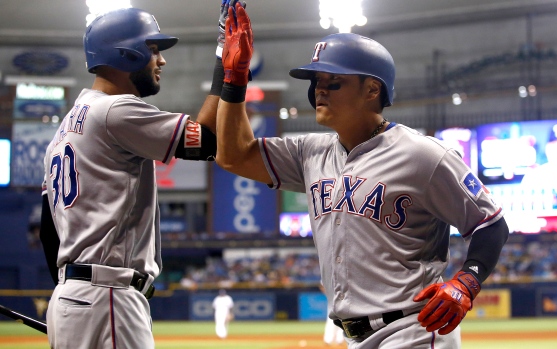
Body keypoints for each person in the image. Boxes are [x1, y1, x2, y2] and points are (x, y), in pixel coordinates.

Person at [213, 4, 509, 348]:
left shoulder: (422, 155)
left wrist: (467, 281)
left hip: (412, 328)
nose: (319, 90)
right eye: (317, 82)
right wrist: (234, 81)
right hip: (354, 337)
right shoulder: (310, 153)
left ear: (372, 90)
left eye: (333, 82)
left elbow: (490, 223)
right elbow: (233, 155)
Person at [38, 2, 236, 347]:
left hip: (73, 297)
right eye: (153, 49)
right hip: (108, 294)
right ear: (126, 53)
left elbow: (47, 232)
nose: (161, 60)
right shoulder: (112, 110)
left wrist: (74, 300)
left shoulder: (63, 131)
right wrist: (227, 63)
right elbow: (210, 141)